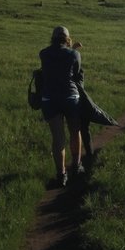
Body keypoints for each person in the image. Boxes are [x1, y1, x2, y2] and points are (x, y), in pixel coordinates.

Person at [39, 25, 85, 187]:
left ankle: (61, 175)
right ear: (67, 38)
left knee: (58, 138)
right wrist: (72, 48)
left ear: (52, 38)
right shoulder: (75, 54)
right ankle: (77, 166)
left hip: (50, 99)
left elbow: (56, 63)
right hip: (70, 97)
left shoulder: (43, 54)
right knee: (74, 131)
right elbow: (75, 71)